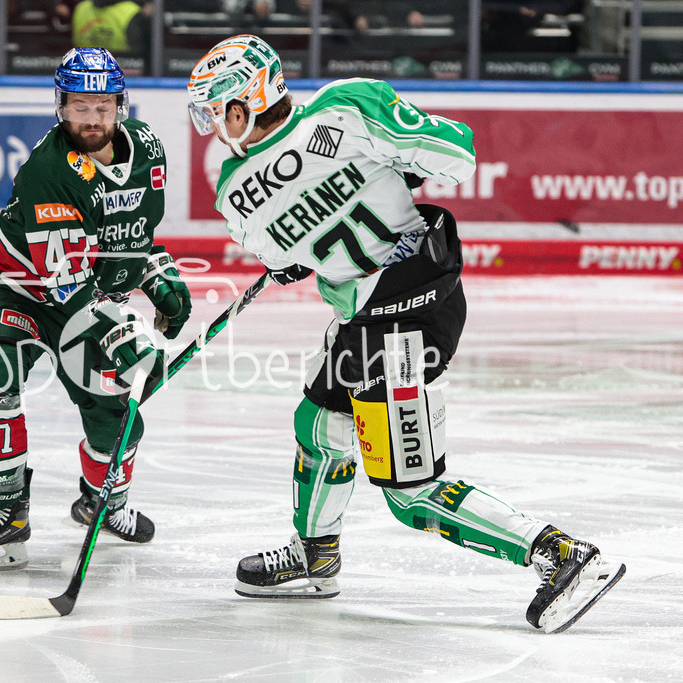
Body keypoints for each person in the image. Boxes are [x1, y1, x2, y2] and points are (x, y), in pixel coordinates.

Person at [186, 34, 624, 633]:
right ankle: (316, 556)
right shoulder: (346, 108)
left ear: (245, 102)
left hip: (402, 322)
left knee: (412, 492)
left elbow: (280, 250)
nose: (212, 123)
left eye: (217, 108)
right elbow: (459, 153)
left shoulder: (234, 189)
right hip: (376, 314)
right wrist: (408, 162)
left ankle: (560, 554)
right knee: (318, 425)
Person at [0, 47, 191, 572]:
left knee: (114, 414)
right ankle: (7, 511)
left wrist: (157, 273)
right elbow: (66, 284)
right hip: (20, 288)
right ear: (61, 107)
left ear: (120, 107)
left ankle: (101, 503)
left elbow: (133, 235)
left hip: (92, 295)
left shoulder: (148, 150)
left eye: (103, 106)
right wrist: (122, 339)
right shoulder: (49, 170)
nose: (92, 119)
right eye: (81, 106)